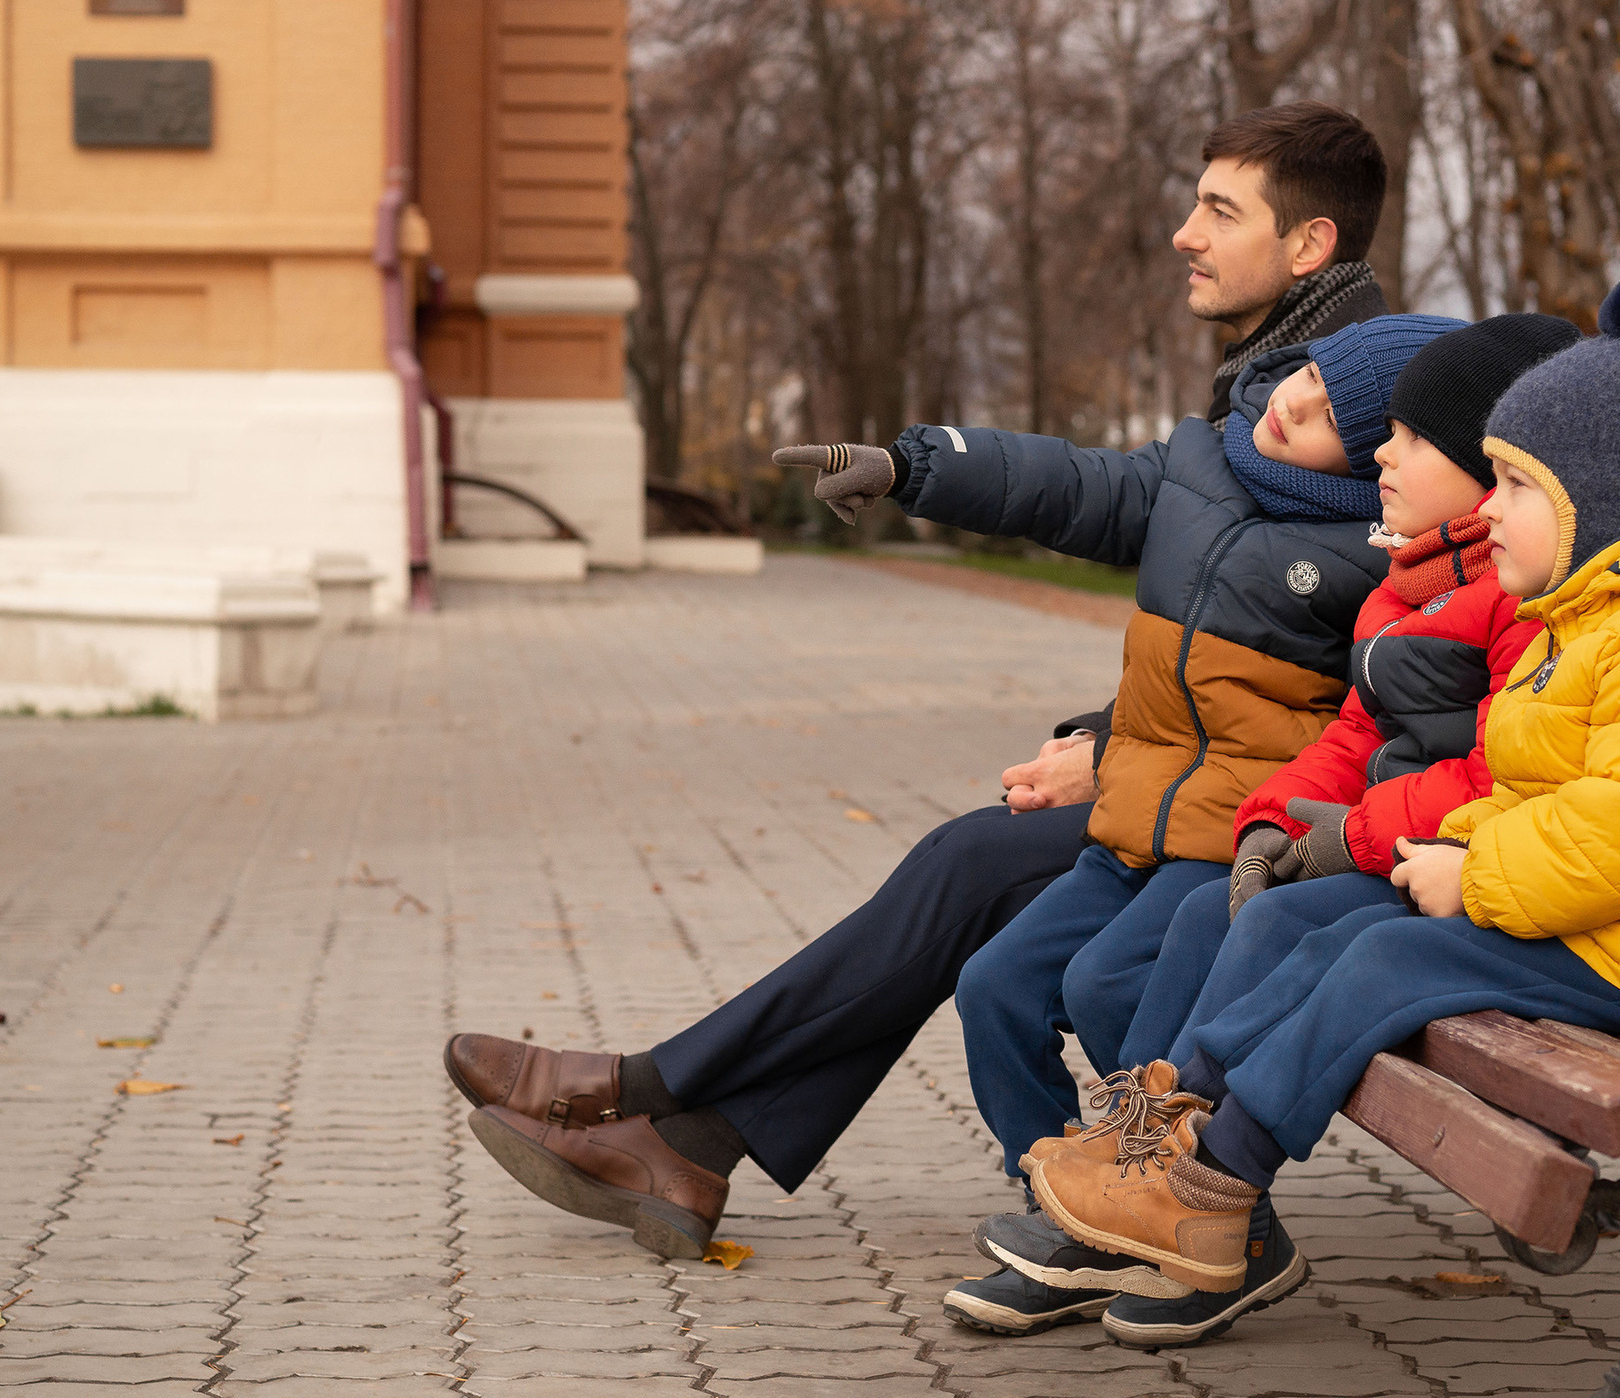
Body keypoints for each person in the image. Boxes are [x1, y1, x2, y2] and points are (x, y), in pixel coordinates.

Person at [442, 103, 1399, 1260]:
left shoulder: (1367, 423)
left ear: (1308, 246)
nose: (1183, 234)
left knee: (977, 880)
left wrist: (1109, 742)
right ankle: (689, 1134)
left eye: (1218, 210)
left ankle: (663, 1103)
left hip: (1268, 818)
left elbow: (1368, 673)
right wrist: (917, 467)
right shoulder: (1262, 404)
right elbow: (1145, 532)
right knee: (966, 865)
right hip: (1192, 780)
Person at [1012, 274, 1620, 1327]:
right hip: (1618, 912)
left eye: (1513, 484)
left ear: (1604, 499)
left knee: (1383, 956)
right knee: (1306, 922)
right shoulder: (1607, 613)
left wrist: (1474, 871)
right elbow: (1553, 791)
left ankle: (1212, 1189)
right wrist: (1446, 842)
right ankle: (1176, 1133)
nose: (1487, 506)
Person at [947, 312, 1582, 1337]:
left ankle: (1168, 1208)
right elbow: (1354, 732)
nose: (1383, 449)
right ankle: (1147, 1196)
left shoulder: (1510, 594)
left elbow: (1499, 770)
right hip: (1372, 840)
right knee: (1177, 932)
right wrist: (1271, 820)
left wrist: (1344, 836)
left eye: (1409, 437)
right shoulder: (1410, 575)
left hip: (1439, 860)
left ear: (1485, 471)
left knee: (1210, 932)